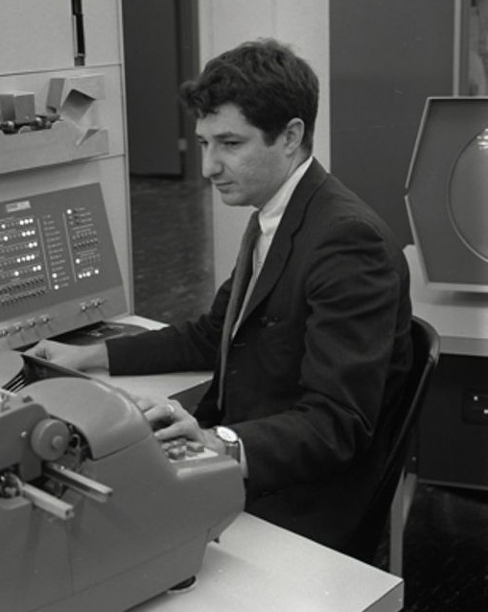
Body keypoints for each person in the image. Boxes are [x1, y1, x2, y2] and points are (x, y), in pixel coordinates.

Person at [28, 38, 413, 560]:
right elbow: (216, 334)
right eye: (205, 143)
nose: (209, 166)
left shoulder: (348, 242)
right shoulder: (275, 214)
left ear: (291, 137)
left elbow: (336, 425)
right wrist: (86, 357)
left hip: (301, 502)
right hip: (252, 458)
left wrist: (219, 444)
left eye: (230, 144)